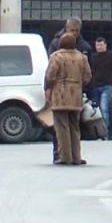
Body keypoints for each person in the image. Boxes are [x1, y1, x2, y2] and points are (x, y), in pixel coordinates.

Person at [45, 17, 93, 163]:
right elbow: (88, 76)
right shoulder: (81, 57)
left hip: (60, 95)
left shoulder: (56, 56)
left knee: (61, 127)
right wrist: (79, 85)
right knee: (75, 127)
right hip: (76, 95)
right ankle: (76, 157)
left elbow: (50, 76)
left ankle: (65, 156)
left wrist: (48, 89)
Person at [90, 37, 112, 138]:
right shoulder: (93, 57)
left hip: (107, 85)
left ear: (105, 45)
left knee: (104, 108)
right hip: (95, 86)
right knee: (97, 109)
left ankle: (105, 133)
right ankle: (99, 132)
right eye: (97, 45)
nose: (99, 47)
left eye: (101, 45)